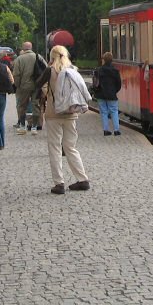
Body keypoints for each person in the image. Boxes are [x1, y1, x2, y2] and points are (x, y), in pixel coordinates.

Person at [34, 45, 90, 194]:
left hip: (54, 113)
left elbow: (37, 84)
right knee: (71, 147)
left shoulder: (50, 70)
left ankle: (59, 183)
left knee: (55, 147)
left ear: (52, 57)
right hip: (71, 113)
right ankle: (82, 179)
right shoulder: (73, 69)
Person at [12, 41, 44, 135]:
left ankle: (23, 127)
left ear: (23, 48)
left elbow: (16, 74)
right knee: (36, 106)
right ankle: (34, 127)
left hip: (23, 86)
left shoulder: (19, 59)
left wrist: (18, 85)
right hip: (37, 86)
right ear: (31, 47)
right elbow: (45, 69)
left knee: (22, 106)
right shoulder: (38, 57)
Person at [93, 52, 122, 136]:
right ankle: (116, 130)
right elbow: (119, 84)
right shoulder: (115, 71)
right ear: (112, 60)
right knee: (114, 111)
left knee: (103, 112)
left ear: (103, 60)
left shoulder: (98, 70)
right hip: (111, 95)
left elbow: (95, 83)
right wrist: (114, 91)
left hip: (100, 94)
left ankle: (106, 130)